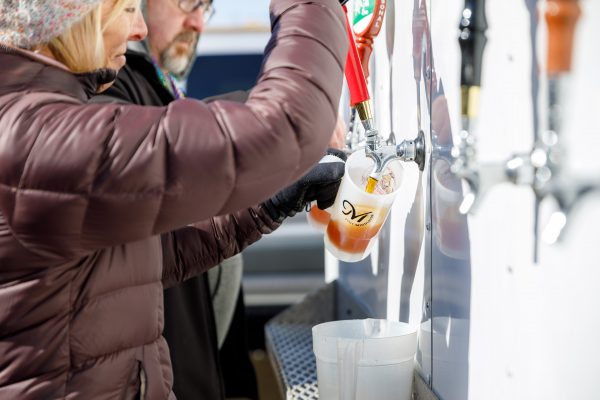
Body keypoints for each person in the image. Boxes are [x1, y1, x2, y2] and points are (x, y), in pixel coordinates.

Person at [0, 0, 348, 398]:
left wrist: (266, 204)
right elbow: (285, 126)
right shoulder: (43, 138)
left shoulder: (29, 122)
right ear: (72, 19)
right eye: (128, 8)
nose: (140, 31)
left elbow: (129, 262)